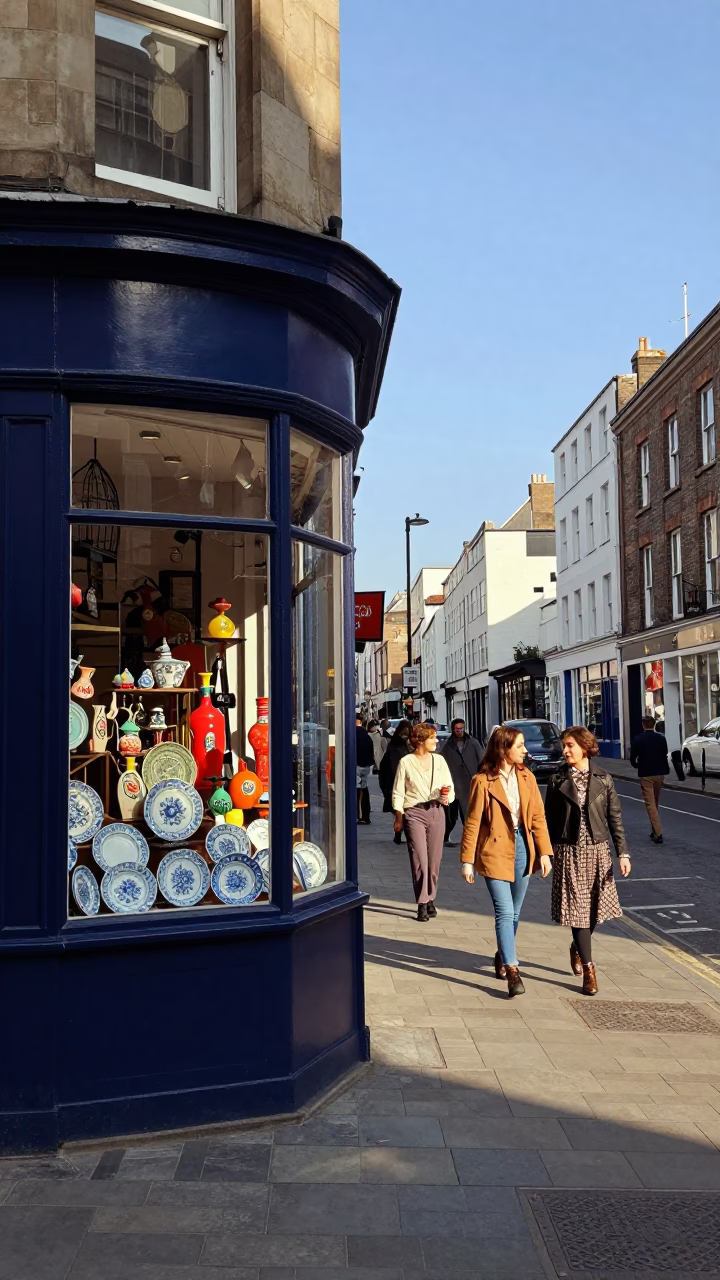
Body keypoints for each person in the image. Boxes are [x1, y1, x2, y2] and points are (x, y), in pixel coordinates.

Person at [460, 726, 553, 997]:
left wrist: (545, 852)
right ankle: (513, 969)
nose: (526, 750)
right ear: (503, 750)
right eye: (520, 746)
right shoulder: (482, 781)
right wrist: (467, 860)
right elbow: (473, 822)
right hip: (494, 850)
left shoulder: (528, 778)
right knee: (504, 910)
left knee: (515, 911)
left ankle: (502, 953)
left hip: (523, 847)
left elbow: (538, 818)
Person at [544, 726, 631, 996]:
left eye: (570, 745)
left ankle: (578, 946)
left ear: (584, 746)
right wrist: (545, 853)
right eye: (564, 746)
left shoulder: (604, 779)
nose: (565, 750)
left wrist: (623, 853)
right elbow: (547, 820)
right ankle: (589, 968)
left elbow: (614, 817)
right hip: (568, 851)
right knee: (579, 910)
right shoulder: (557, 779)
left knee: (594, 910)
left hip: (598, 850)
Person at [392, 723, 455, 921]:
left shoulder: (440, 761)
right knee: (419, 859)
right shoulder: (406, 762)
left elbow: (450, 787)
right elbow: (398, 791)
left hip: (436, 811)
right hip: (414, 813)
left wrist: (447, 797)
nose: (436, 741)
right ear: (420, 740)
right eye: (432, 738)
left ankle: (430, 898)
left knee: (434, 860)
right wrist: (398, 816)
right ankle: (421, 903)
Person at [441, 718, 484, 845]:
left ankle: (470, 839)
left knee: (469, 814)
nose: (459, 731)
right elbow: (442, 764)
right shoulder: (448, 746)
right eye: (457, 729)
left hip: (469, 783)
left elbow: (482, 760)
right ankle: (445, 836)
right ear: (453, 729)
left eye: (461, 728)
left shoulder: (473, 743)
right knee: (451, 815)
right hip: (453, 784)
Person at [630, 716, 670, 844]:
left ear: (643, 725)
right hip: (660, 774)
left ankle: (658, 834)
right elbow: (665, 753)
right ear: (653, 725)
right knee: (655, 803)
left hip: (646, 775)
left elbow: (633, 757)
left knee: (650, 805)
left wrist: (635, 765)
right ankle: (654, 830)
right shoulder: (661, 738)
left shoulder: (638, 739)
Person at [379, 719, 412, 843]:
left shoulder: (398, 744)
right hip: (398, 782)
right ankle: (400, 832)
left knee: (402, 811)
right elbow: (391, 766)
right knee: (401, 811)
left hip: (401, 782)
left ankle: (400, 833)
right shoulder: (397, 746)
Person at [355, 715, 375, 824]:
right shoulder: (366, 735)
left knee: (356, 790)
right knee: (364, 788)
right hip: (366, 765)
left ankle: (357, 814)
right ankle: (366, 815)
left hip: (356, 764)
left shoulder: (352, 733)